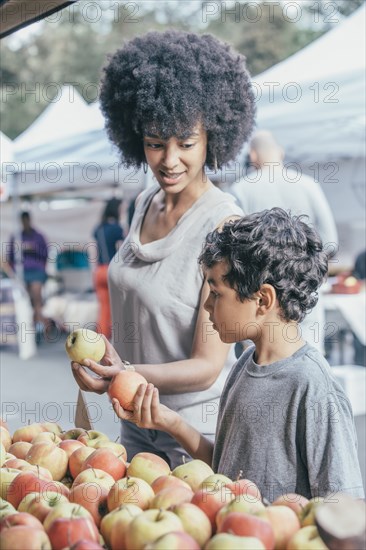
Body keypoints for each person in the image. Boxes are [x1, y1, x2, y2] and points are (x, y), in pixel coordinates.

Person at [71, 30, 256, 467]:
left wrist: (123, 373)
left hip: (190, 430)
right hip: (133, 415)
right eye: (155, 143)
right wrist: (114, 369)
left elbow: (207, 366)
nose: (169, 160)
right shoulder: (143, 203)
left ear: (213, 136)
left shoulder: (222, 224)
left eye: (186, 143)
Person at [111, 208, 365, 502]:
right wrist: (168, 421)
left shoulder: (313, 388)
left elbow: (345, 507)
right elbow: (225, 469)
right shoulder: (244, 364)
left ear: (263, 299)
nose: (206, 306)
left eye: (216, 293)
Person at [230, 130, 338, 353]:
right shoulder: (308, 185)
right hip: (304, 292)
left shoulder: (241, 189)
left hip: (258, 298)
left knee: (260, 366)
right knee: (307, 359)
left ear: (252, 155)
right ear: (280, 152)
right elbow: (331, 243)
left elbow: (233, 251)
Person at [8, 211, 48, 335]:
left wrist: (33, 248)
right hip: (22, 273)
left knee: (37, 299)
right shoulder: (16, 237)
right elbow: (9, 257)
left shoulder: (39, 236)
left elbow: (46, 254)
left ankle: (40, 327)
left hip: (36, 271)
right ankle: (28, 329)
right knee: (25, 300)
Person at [93, 198, 124, 339]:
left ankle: (101, 340)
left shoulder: (98, 228)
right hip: (112, 270)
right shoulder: (117, 229)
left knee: (103, 308)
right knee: (117, 308)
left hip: (99, 271)